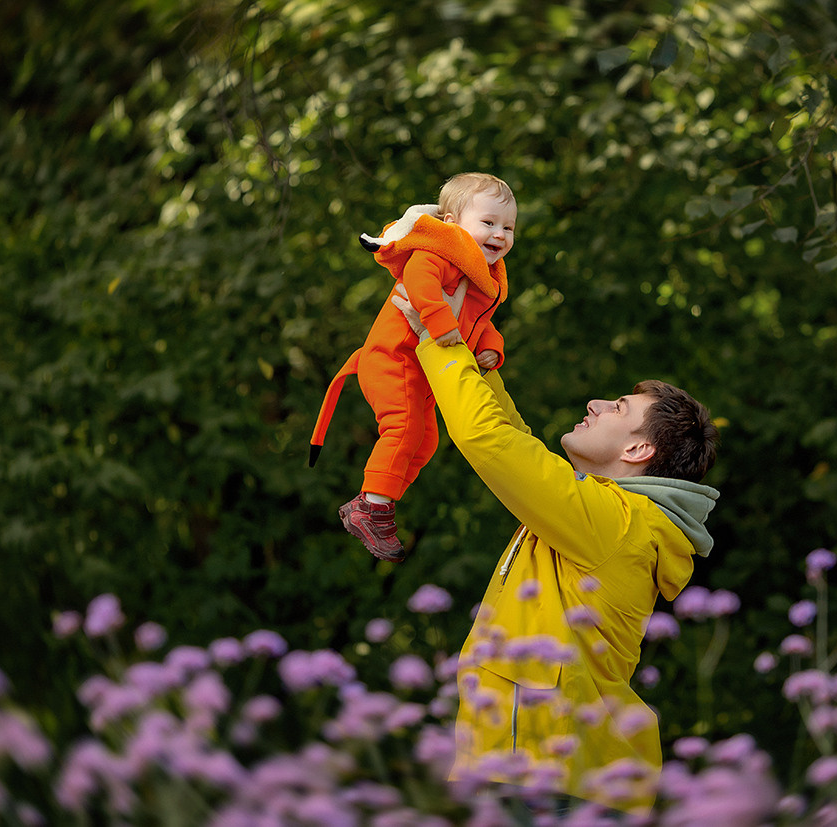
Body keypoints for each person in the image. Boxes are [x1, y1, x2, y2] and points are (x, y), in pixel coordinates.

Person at [390, 282, 720, 816]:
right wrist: (470, 347)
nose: (594, 403)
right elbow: (510, 435)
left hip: (544, 780)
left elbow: (488, 440)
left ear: (638, 449)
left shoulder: (614, 520)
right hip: (549, 776)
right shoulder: (597, 512)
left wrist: (437, 338)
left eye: (617, 407)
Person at [308, 173, 517, 562]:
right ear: (452, 224)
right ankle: (374, 506)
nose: (500, 234)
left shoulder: (481, 277)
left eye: (508, 227)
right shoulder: (438, 252)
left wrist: (492, 348)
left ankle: (372, 501)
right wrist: (440, 323)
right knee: (404, 428)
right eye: (488, 223)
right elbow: (420, 285)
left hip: (420, 373)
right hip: (393, 357)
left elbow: (480, 323)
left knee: (426, 441)